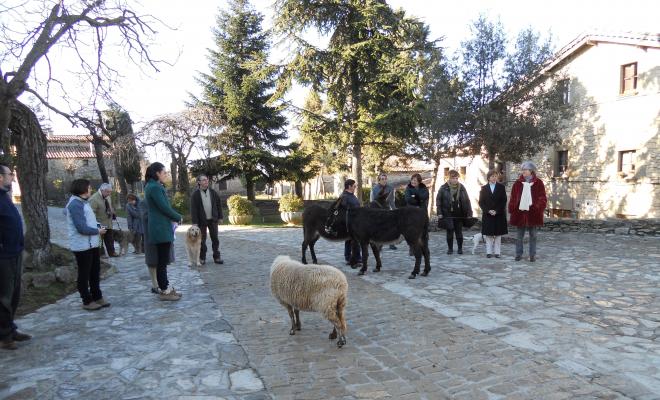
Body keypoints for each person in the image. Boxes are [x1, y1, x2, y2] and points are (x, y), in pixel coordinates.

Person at [65, 178, 111, 311]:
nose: (91, 189)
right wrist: (98, 231)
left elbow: (88, 221)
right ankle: (86, 300)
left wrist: (97, 226)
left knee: (95, 272)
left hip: (91, 244)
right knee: (84, 274)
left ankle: (97, 297)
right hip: (81, 245)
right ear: (82, 189)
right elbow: (81, 228)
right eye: (89, 187)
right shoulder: (75, 204)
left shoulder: (83, 202)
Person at [0, 163, 30, 350]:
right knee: (4, 296)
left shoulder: (4, 196)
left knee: (14, 295)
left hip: (14, 252)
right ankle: (5, 336)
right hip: (3, 256)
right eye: (10, 174)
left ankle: (10, 328)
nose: (13, 177)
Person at [144, 162, 183, 300]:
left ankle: (165, 287)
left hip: (161, 226)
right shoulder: (154, 187)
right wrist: (178, 217)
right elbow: (163, 207)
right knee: (162, 260)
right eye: (164, 172)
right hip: (160, 227)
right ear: (157, 173)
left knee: (163, 260)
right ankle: (164, 290)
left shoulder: (153, 186)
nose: (166, 175)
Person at [509, 161, 547, 262]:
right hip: (520, 213)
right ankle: (518, 254)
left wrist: (537, 206)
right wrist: (513, 207)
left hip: (533, 213)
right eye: (523, 170)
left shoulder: (538, 183)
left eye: (525, 170)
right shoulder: (517, 183)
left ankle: (532, 255)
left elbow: (542, 198)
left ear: (531, 171)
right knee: (519, 236)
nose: (523, 172)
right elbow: (513, 197)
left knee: (533, 236)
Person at [139, 194, 175, 294]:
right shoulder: (144, 202)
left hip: (163, 235)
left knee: (162, 262)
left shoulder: (164, 201)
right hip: (152, 236)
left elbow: (169, 213)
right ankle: (155, 285)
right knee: (153, 261)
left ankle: (163, 284)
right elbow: (145, 217)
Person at [190, 174, 224, 265]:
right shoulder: (195, 195)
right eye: (204, 180)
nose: (206, 181)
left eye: (206, 179)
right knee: (201, 240)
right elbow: (193, 209)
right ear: (199, 182)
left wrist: (220, 217)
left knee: (215, 239)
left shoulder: (213, 192)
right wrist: (195, 223)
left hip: (213, 220)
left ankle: (217, 257)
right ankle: (202, 258)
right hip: (202, 221)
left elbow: (218, 205)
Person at [436, 170, 473, 255]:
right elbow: (438, 201)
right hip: (447, 213)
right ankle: (450, 249)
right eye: (453, 178)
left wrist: (469, 212)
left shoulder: (462, 187)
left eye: (457, 178)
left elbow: (467, 200)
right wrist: (439, 212)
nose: (455, 180)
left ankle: (460, 249)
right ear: (449, 178)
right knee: (449, 231)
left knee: (459, 232)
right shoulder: (443, 188)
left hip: (459, 213)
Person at [478, 170, 508, 258]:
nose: (494, 178)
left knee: (498, 235)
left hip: (499, 214)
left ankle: (497, 252)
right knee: (489, 234)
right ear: (488, 178)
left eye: (495, 176)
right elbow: (481, 202)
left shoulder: (501, 187)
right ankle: (489, 252)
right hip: (488, 215)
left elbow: (504, 201)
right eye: (492, 176)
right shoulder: (484, 188)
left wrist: (496, 211)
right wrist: (488, 210)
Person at [89, 183, 118, 257]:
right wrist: (96, 225)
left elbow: (109, 206)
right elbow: (91, 213)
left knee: (110, 239)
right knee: (100, 240)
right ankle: (101, 254)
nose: (109, 193)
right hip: (99, 223)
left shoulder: (107, 197)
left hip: (108, 222)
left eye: (110, 192)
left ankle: (112, 252)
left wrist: (112, 212)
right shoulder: (94, 199)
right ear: (102, 190)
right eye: (108, 192)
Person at [369, 172, 397, 250]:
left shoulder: (391, 188)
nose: (384, 180)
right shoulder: (374, 189)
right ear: (379, 180)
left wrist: (394, 210)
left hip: (387, 209)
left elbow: (392, 200)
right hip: (378, 211)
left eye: (385, 179)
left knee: (390, 227)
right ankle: (379, 244)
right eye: (382, 179)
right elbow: (372, 201)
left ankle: (391, 243)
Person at [341, 179, 361, 265]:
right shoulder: (344, 196)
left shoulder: (352, 195)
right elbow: (344, 208)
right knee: (350, 240)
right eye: (354, 186)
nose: (355, 187)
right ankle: (349, 257)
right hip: (349, 222)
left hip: (356, 221)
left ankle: (356, 257)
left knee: (354, 240)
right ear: (349, 186)